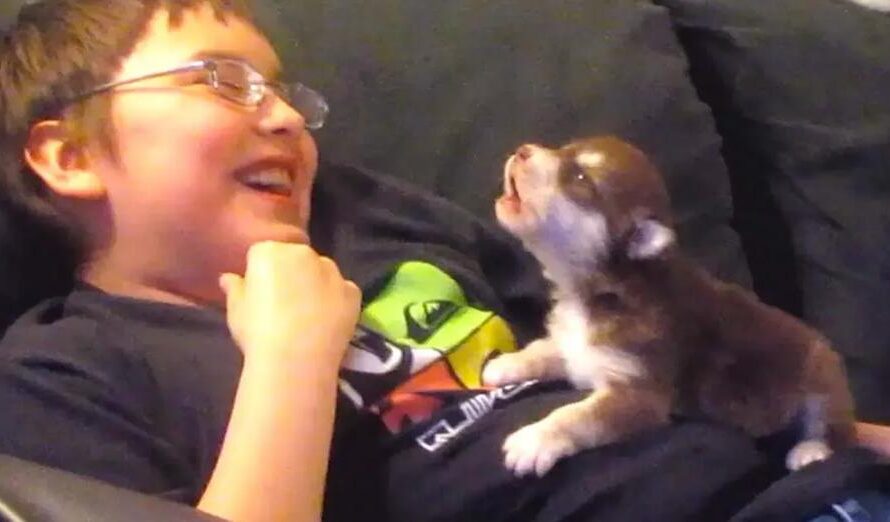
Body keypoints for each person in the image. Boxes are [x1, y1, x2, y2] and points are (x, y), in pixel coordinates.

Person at [1, 1, 889, 521]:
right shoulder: (61, 373)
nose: (280, 116)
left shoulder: (369, 218)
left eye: (280, 90)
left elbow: (634, 350)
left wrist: (850, 434)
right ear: (70, 157)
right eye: (222, 81)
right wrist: (293, 358)